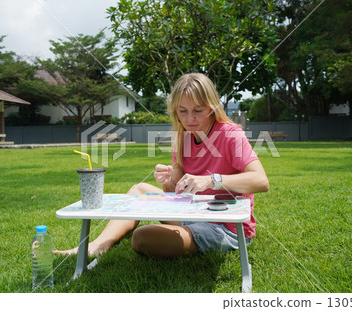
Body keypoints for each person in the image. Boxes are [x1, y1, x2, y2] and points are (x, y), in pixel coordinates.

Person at [54, 73, 269, 258]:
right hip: (191, 212)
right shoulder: (184, 136)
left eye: (198, 110)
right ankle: (99, 245)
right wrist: (172, 177)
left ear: (212, 108)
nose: (190, 119)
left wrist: (212, 180)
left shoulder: (231, 134)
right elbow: (173, 194)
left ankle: (171, 236)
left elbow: (261, 181)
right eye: (182, 111)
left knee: (142, 238)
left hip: (224, 227)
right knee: (140, 189)